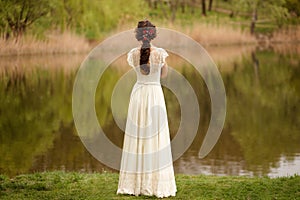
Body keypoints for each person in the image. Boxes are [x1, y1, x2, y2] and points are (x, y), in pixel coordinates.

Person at [117, 20, 177, 198]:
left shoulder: (133, 54)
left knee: (137, 138)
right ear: (153, 34)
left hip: (139, 95)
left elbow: (139, 70)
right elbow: (163, 74)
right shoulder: (160, 54)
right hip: (154, 95)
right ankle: (154, 184)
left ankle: (135, 184)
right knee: (156, 137)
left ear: (138, 35)